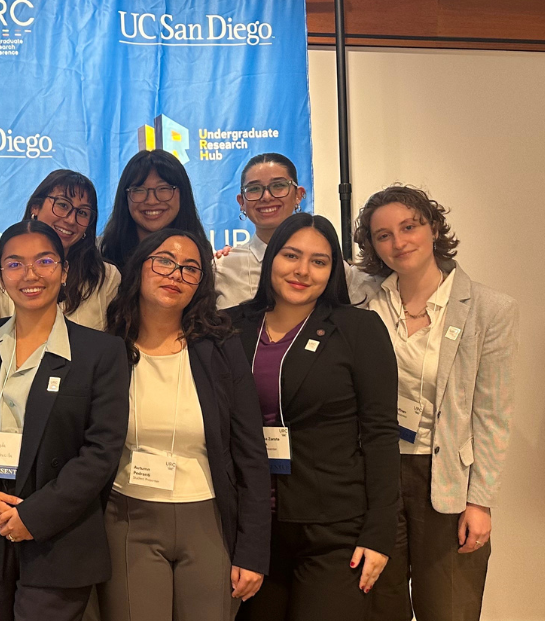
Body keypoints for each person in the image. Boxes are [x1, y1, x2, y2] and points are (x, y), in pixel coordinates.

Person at [0, 220, 130, 621]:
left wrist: (34, 516)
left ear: (64, 271)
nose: (30, 274)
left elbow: (101, 452)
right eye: (14, 264)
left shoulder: (101, 352)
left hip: (59, 538)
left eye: (44, 261)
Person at [353, 187, 518, 621]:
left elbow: (493, 414)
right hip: (373, 477)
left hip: (448, 483)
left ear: (434, 228)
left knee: (448, 610)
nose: (398, 242)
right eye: (383, 235)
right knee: (376, 606)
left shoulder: (489, 309)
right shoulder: (360, 303)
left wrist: (480, 502)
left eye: (409, 227)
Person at [226, 213, 399, 621]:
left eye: (319, 261)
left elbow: (380, 434)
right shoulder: (231, 326)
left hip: (333, 527)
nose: (302, 271)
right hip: (252, 528)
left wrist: (379, 534)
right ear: (271, 259)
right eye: (291, 255)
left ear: (333, 271)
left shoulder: (357, 329)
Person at [99, 228, 270, 621]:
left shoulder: (221, 347)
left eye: (190, 268)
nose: (175, 274)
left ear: (201, 283)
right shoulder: (109, 347)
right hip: (128, 517)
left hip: (208, 519)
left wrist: (253, 551)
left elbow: (250, 454)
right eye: (164, 261)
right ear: (139, 267)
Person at [0, 170, 120, 330]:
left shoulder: (106, 277)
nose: (70, 219)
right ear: (36, 207)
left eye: (82, 212)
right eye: (63, 205)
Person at [215, 153, 368, 309]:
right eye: (254, 188)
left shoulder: (335, 269)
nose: (266, 197)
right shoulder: (221, 268)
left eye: (279, 185)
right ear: (241, 202)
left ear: (298, 195)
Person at [100, 150, 208, 273]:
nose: (151, 201)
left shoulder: (203, 258)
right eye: (139, 190)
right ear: (125, 197)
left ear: (183, 194)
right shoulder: (101, 258)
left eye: (163, 188)